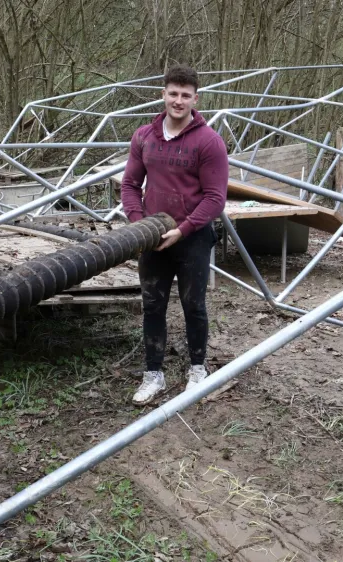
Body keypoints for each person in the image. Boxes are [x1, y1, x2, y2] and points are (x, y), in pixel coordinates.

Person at [121, 64, 229, 405]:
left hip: (192, 238)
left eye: (185, 95)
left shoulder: (209, 142)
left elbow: (215, 198)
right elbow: (130, 184)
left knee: (193, 305)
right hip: (153, 238)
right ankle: (153, 373)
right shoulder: (144, 137)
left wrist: (182, 230)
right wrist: (141, 227)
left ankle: (198, 369)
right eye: (173, 94)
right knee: (152, 306)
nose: (178, 101)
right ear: (163, 94)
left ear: (195, 99)